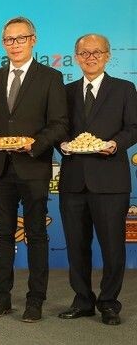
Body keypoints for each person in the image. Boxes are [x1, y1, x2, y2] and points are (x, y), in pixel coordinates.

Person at [0, 16, 68, 323]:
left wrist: (34, 144)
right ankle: (2, 298)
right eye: (9, 40)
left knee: (36, 235)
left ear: (33, 40)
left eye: (21, 38)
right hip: (0, 168)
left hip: (33, 166)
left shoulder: (50, 77)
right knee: (4, 234)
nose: (15, 45)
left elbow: (60, 124)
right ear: (3, 43)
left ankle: (35, 301)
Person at [58, 34, 137, 326]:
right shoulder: (64, 92)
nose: (90, 57)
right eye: (84, 53)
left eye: (97, 52)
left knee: (112, 247)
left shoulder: (125, 89)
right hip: (74, 181)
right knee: (77, 246)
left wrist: (115, 144)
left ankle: (109, 303)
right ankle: (82, 301)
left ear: (107, 56)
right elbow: (59, 128)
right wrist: (63, 145)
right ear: (76, 57)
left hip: (110, 181)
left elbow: (134, 126)